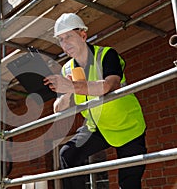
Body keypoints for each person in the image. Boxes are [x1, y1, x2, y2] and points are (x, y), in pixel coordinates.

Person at [43, 13, 147, 189]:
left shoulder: (106, 54)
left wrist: (73, 87)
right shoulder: (67, 68)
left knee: (129, 183)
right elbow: (57, 108)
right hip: (96, 126)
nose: (65, 43)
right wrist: (67, 93)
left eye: (69, 36)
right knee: (68, 154)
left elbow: (110, 85)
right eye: (60, 39)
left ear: (83, 35)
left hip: (127, 125)